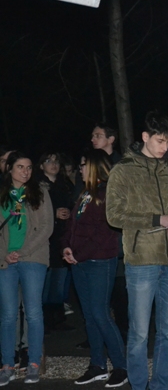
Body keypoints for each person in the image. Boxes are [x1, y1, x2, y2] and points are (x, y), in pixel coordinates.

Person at [106, 111, 168, 390]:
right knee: (139, 332)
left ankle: (161, 385)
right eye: (160, 141)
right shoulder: (123, 170)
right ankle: (139, 385)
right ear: (145, 137)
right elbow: (114, 215)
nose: (165, 147)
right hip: (141, 260)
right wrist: (158, 220)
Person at [61, 149, 128, 387]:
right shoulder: (85, 194)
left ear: (95, 167)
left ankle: (121, 366)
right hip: (79, 262)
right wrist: (66, 246)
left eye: (83, 164)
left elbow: (104, 232)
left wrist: (77, 254)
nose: (80, 169)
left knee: (100, 314)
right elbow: (72, 224)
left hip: (100, 261)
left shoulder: (108, 193)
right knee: (89, 315)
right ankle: (97, 365)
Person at [0, 151, 54, 385]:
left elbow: (46, 227)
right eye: (20, 167)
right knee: (8, 315)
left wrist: (22, 251)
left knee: (33, 312)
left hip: (33, 257)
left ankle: (33, 363)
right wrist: (4, 254)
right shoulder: (2, 193)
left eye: (29, 167)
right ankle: (7, 364)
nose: (26, 171)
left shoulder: (39, 191)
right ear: (9, 169)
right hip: (5, 260)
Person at [37, 152, 73, 333]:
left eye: (56, 161)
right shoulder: (37, 186)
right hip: (45, 239)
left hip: (62, 237)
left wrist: (69, 212)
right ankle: (44, 321)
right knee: (46, 281)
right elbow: (34, 212)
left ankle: (58, 319)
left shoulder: (65, 185)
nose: (53, 164)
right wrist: (54, 214)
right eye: (48, 161)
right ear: (41, 166)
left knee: (59, 281)